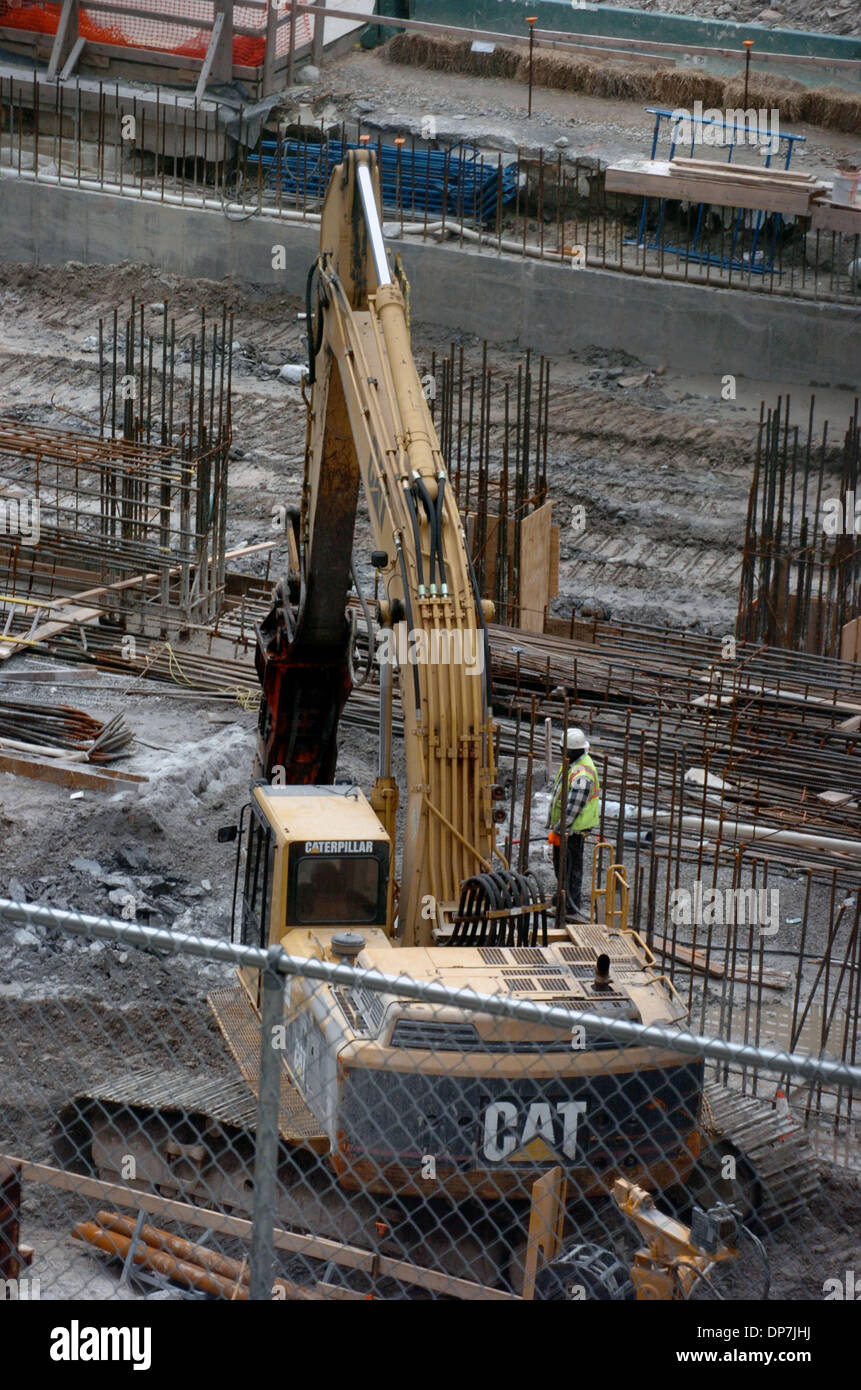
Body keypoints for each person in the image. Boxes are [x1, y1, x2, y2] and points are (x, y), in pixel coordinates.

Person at [547, 727, 601, 922]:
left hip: (572, 829)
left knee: (569, 868)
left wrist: (560, 828)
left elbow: (573, 806)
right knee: (562, 866)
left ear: (571, 750)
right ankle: (563, 898)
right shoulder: (572, 763)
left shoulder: (582, 772)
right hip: (568, 828)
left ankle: (569, 906)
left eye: (563, 749)